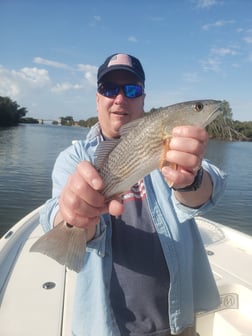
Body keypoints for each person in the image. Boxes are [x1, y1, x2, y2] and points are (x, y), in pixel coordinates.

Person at [40, 53, 227, 336]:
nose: (119, 98)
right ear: (97, 98)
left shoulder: (176, 147)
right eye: (109, 89)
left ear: (143, 98)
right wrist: (70, 216)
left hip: (180, 322)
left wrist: (191, 178)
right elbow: (54, 210)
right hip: (105, 327)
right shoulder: (75, 157)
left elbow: (210, 184)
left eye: (131, 90)